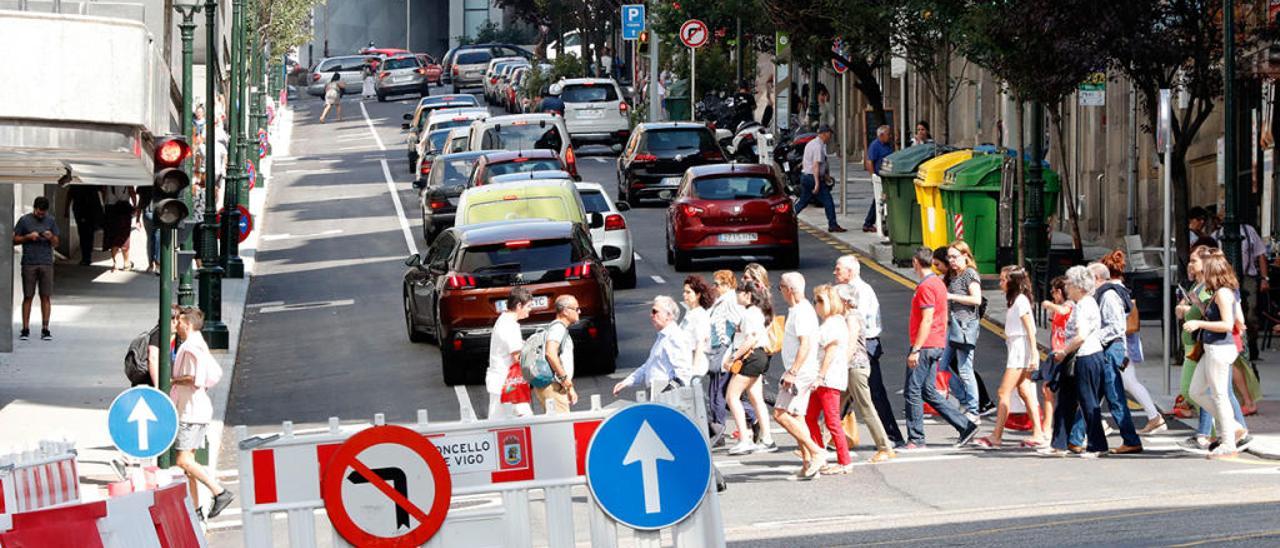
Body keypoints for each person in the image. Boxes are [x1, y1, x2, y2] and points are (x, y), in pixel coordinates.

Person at [1176, 245, 1252, 452]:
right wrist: (1199, 307)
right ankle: (1234, 427)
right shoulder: (1216, 293)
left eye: (1205, 270)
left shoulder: (1224, 293)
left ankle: (1228, 441)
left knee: (1220, 395)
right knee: (1195, 391)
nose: (1199, 273)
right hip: (1211, 348)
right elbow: (1231, 319)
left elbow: (1227, 324)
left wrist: (1199, 323)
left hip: (1220, 348)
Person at [903, 247, 978, 449]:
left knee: (912, 391)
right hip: (936, 343)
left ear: (915, 262)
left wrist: (916, 349)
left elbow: (927, 319)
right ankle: (966, 426)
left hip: (925, 345)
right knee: (928, 391)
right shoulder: (938, 283)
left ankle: (916, 439)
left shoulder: (926, 286)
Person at [1066, 262, 1143, 455]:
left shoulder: (1107, 296)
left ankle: (1131, 440)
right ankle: (1075, 439)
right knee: (1093, 394)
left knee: (1112, 393)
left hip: (1111, 348)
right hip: (1104, 348)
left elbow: (1117, 327)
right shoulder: (1097, 296)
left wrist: (1094, 338)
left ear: (1098, 279)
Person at [833, 255, 904, 447]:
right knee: (842, 393)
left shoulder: (860, 291)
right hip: (858, 344)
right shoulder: (849, 289)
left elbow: (856, 323)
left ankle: (891, 436)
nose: (835, 272)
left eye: (838, 269)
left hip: (865, 345)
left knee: (873, 393)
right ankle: (831, 437)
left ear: (850, 271)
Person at [170, 308, 235, 518]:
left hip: (190, 411)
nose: (177, 327)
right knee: (189, 465)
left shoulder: (190, 347)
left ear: (187, 324)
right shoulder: (199, 343)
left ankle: (220, 491)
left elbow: (193, 377)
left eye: (179, 323)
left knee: (183, 461)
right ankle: (196, 510)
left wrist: (170, 380)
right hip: (196, 409)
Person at [975, 266, 1044, 448]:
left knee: (1003, 391)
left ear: (1013, 282)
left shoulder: (1020, 301)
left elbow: (1030, 328)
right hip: (1017, 348)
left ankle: (996, 436)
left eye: (1004, 279)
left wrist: (1034, 354)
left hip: (1020, 350)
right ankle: (1038, 433)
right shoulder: (1015, 300)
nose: (1000, 283)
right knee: (1024, 391)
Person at [1044, 266, 1108, 458]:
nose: (1067, 287)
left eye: (1070, 284)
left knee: (1087, 401)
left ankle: (1097, 445)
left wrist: (1063, 351)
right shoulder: (1082, 303)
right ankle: (1059, 443)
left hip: (1084, 356)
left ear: (1079, 287)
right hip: (1079, 356)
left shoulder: (1084, 305)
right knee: (1066, 400)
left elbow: (1080, 336)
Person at [1100, 252, 1165, 434]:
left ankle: (1154, 418)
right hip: (1124, 344)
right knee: (1127, 382)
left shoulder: (1110, 292)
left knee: (1105, 383)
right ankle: (1154, 417)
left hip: (1117, 344)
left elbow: (1114, 323)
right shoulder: (1123, 290)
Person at [772, 273, 828, 479]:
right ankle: (807, 465)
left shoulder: (802, 312)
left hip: (800, 373)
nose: (781, 292)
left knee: (780, 413)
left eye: (781, 288)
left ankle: (816, 451)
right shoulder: (800, 310)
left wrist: (793, 371)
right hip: (803, 371)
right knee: (796, 416)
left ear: (789, 290)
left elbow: (805, 344)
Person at [836, 284, 896, 462]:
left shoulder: (852, 318)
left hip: (855, 368)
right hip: (850, 368)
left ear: (845, 301)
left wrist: (840, 365)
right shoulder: (846, 316)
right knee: (835, 409)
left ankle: (884, 447)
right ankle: (817, 445)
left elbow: (852, 344)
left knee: (866, 408)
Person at [722, 282, 777, 455]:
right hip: (758, 356)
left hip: (751, 357)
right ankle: (767, 439)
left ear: (747, 295)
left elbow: (750, 339)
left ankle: (745, 439)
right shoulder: (756, 312)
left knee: (731, 396)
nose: (736, 296)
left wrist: (733, 357)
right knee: (755, 398)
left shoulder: (750, 314)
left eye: (738, 292)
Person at [805, 284, 854, 474]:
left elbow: (830, 352)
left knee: (832, 420)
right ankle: (820, 454)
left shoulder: (833, 323)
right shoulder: (832, 322)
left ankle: (844, 461)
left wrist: (820, 376)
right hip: (824, 379)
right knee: (810, 417)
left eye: (818, 301)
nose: (815, 304)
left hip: (828, 379)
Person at [940, 242, 991, 422]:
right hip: (952, 325)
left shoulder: (970, 274)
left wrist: (952, 296)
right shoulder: (953, 275)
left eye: (955, 257)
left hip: (965, 326)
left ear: (965, 256)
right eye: (949, 257)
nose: (951, 261)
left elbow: (976, 299)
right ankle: (964, 400)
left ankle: (973, 409)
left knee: (964, 369)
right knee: (942, 365)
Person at [706, 270, 758, 446]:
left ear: (728, 285)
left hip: (725, 352)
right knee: (719, 393)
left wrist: (733, 349)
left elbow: (740, 323)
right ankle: (753, 419)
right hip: (718, 351)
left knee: (719, 393)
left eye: (717, 284)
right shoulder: (721, 301)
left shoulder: (729, 301)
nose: (714, 287)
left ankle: (719, 430)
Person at [1212, 216, 1269, 363]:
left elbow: (1260, 254)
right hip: (1224, 280)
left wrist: (1264, 278)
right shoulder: (1216, 235)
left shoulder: (1248, 231)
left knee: (1250, 313)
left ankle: (1251, 346)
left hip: (1247, 277)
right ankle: (1237, 346)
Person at [615, 296, 693, 395]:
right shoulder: (663, 337)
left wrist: (666, 393)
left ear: (668, 315)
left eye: (655, 312)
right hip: (658, 392)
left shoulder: (675, 337)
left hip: (668, 395)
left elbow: (683, 373)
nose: (651, 315)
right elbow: (648, 366)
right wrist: (626, 382)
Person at [14, 196, 60, 341]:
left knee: (45, 296)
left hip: (46, 262)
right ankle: (25, 328)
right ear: (34, 209)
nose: (41, 215)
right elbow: (14, 240)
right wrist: (28, 237)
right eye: (39, 212)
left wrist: (50, 237)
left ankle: (45, 328)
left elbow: (56, 243)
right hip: (29, 262)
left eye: (43, 213)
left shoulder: (51, 221)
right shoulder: (24, 220)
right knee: (28, 296)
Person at [488, 288, 533, 419]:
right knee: (524, 420)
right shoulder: (510, 325)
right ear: (519, 305)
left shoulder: (502, 320)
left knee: (498, 423)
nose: (530, 309)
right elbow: (517, 357)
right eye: (529, 306)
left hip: (501, 381)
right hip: (509, 383)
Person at [794, 125, 846, 233]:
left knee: (803, 201)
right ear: (824, 134)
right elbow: (816, 165)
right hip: (813, 178)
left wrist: (826, 177)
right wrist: (817, 183)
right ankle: (833, 224)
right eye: (829, 134)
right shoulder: (818, 146)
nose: (830, 137)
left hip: (806, 176)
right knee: (828, 201)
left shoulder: (812, 143)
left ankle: (788, 218)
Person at [1040, 276, 1073, 427]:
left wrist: (1050, 305)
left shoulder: (1070, 304)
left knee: (1057, 391)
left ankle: (1048, 427)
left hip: (1065, 353)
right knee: (1048, 389)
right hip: (1056, 353)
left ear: (1059, 292)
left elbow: (1064, 310)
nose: (1052, 296)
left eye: (1053, 292)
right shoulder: (1058, 306)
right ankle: (1047, 426)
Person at [537, 295, 579, 413]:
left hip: (556, 385)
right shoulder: (558, 328)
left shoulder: (558, 328)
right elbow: (550, 353)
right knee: (562, 428)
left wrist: (569, 388)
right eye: (576, 309)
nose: (579, 312)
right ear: (565, 311)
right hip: (553, 386)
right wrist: (565, 380)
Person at [681, 276, 714, 379]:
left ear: (698, 295)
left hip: (694, 362)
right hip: (686, 360)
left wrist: (694, 370)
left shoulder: (700, 315)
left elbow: (700, 342)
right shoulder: (690, 313)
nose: (684, 295)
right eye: (684, 292)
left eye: (688, 292)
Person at [863, 125, 895, 233]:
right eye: (888, 134)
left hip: (887, 177)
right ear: (881, 135)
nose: (890, 136)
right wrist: (873, 176)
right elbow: (870, 161)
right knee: (879, 200)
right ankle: (869, 223)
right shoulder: (875, 146)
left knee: (880, 200)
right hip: (879, 177)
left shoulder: (888, 145)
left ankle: (870, 222)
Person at [62, 185, 102, 266]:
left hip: (82, 210)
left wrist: (66, 210)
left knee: (84, 234)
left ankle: (86, 257)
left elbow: (69, 196)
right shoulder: (90, 183)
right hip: (88, 211)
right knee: (88, 234)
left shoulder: (76, 185)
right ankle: (87, 257)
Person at [102, 185, 136, 272]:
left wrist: (104, 204)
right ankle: (126, 263)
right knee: (125, 236)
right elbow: (132, 191)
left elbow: (104, 191)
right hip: (124, 209)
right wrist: (135, 205)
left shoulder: (107, 178)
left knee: (113, 236)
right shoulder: (126, 176)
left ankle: (115, 263)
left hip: (110, 209)